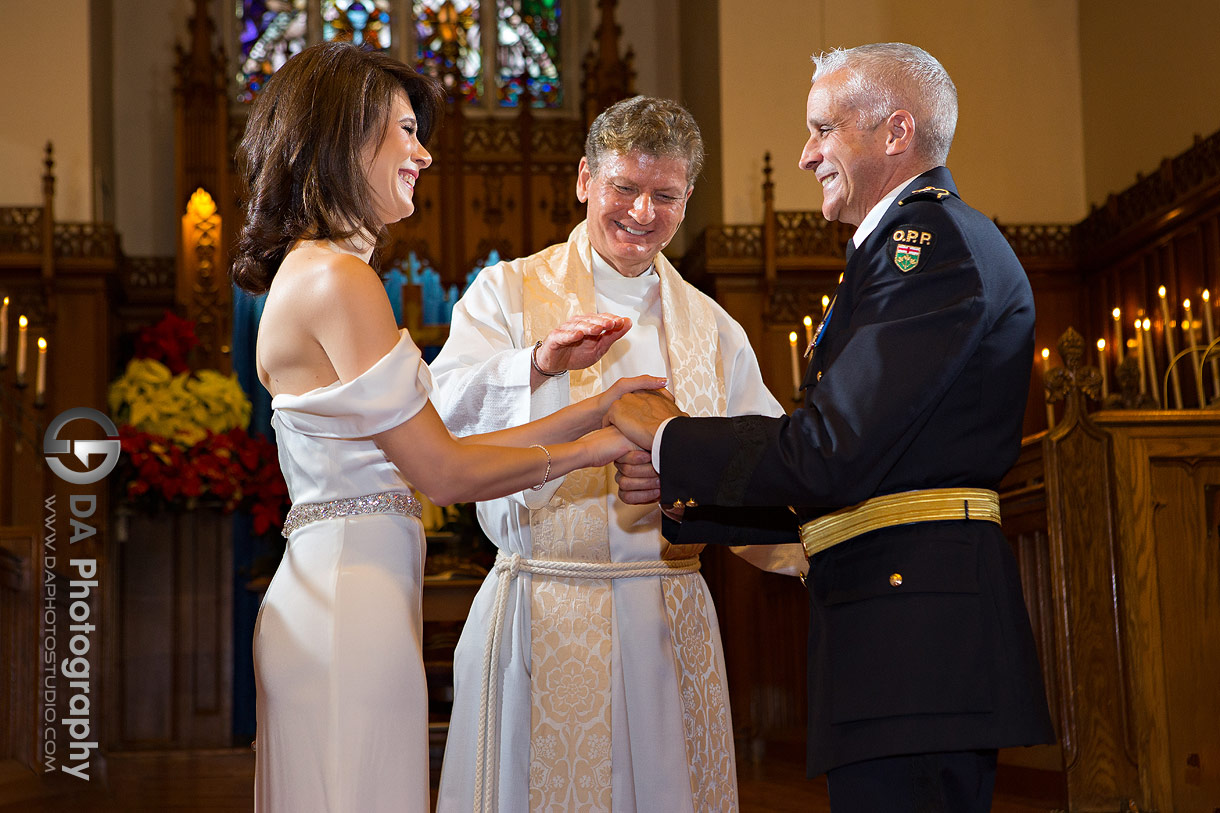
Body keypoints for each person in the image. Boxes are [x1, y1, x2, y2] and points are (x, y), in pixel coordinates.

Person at [607, 43, 1056, 813]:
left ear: (895, 132)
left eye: (823, 129)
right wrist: (687, 493)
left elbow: (831, 451)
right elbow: (865, 465)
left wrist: (669, 436)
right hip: (899, 632)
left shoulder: (929, 248)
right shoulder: (898, 250)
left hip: (915, 644)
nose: (808, 152)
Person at [232, 42, 660, 813]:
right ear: (343, 134)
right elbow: (444, 474)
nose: (423, 154)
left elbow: (436, 448)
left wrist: (594, 405)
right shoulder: (338, 278)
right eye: (404, 129)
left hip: (341, 593)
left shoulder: (311, 270)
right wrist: (601, 445)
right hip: (347, 606)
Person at [430, 96, 806, 812]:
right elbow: (444, 419)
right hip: (546, 605)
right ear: (583, 180)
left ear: (688, 198)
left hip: (670, 614)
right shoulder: (506, 293)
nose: (642, 213)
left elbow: (768, 460)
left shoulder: (714, 325)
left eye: (664, 195)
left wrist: (686, 478)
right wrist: (536, 364)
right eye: (624, 188)